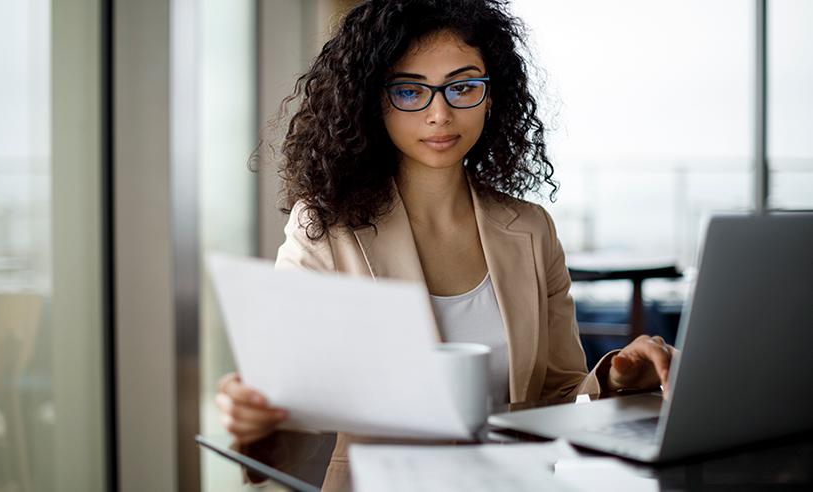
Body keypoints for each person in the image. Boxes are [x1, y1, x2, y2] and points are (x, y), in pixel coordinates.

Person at [216, 0, 676, 490]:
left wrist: (615, 379)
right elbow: (297, 411)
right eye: (410, 91)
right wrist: (257, 419)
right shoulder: (326, 230)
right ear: (374, 100)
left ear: (492, 96)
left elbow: (558, 395)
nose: (440, 113)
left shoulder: (532, 228)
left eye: (462, 87)